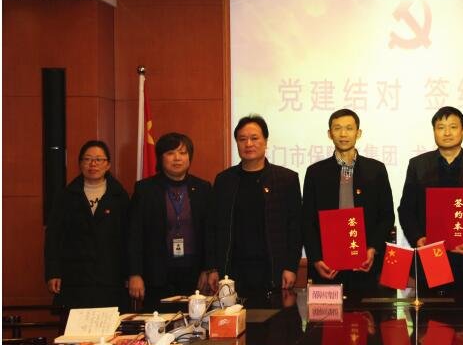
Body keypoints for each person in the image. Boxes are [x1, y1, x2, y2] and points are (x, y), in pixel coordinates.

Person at [398, 106, 463, 291]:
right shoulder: (418, 165)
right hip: (430, 259)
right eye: (441, 127)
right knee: (431, 309)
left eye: (453, 127)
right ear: (434, 131)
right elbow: (406, 209)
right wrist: (418, 238)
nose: (447, 133)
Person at [210, 115, 302, 306]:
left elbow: (295, 227)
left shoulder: (286, 179)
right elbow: (213, 227)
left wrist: (291, 267)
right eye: (242, 139)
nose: (248, 144)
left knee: (275, 321)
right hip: (233, 270)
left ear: (265, 141)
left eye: (254, 138)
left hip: (273, 268)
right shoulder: (224, 180)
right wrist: (213, 268)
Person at [302, 109, 395, 295]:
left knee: (366, 311)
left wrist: (372, 249)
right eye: (337, 128)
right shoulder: (315, 172)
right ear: (330, 134)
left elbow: (387, 216)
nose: (343, 134)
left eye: (349, 128)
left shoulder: (376, 170)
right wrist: (316, 259)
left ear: (358, 133)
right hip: (327, 266)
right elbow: (307, 220)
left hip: (366, 265)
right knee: (328, 315)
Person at [127, 133, 213, 311]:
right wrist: (135, 273)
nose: (177, 158)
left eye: (182, 153)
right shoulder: (145, 189)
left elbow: (210, 233)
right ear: (160, 157)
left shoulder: (203, 188)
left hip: (194, 274)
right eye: (170, 153)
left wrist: (208, 268)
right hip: (157, 275)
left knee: (194, 322)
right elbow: (134, 235)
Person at [44, 140, 130, 309]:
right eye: (88, 159)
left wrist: (130, 273)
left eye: (99, 159)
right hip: (75, 278)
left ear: (108, 165)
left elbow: (129, 238)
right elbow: (53, 237)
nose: (93, 164)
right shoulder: (66, 196)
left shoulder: (120, 196)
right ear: (80, 164)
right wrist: (53, 272)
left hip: (111, 278)